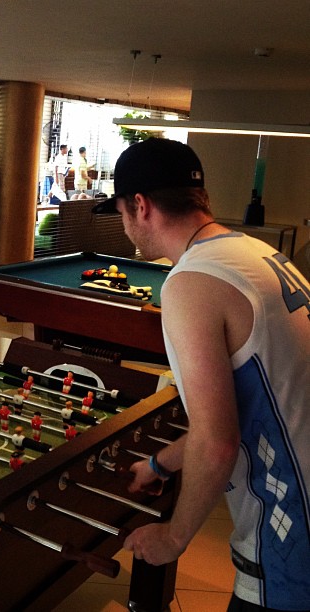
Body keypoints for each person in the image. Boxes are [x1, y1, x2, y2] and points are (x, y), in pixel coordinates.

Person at [93, 137, 309, 612]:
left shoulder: (190, 283)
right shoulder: (255, 253)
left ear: (140, 206)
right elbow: (245, 411)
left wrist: (173, 538)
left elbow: (218, 441)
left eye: (123, 213)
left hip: (295, 531)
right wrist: (157, 465)